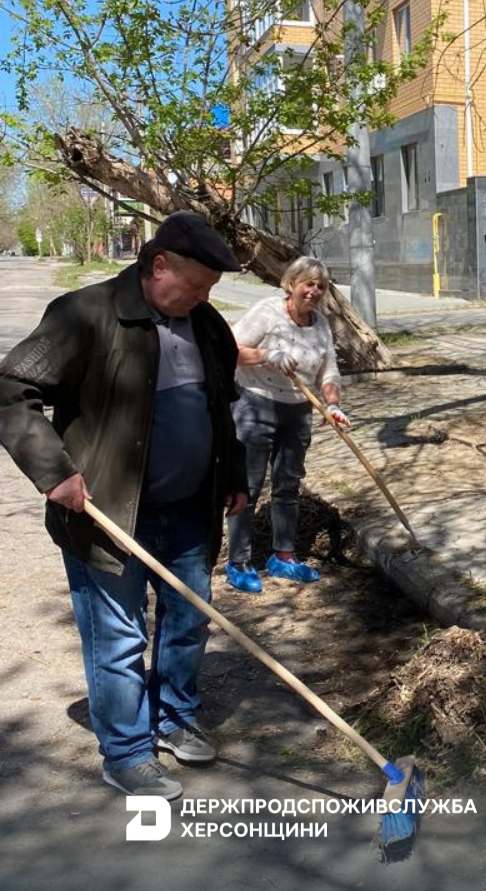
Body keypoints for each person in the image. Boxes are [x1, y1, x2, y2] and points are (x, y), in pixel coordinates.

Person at [0, 212, 248, 800]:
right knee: (119, 638)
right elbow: (10, 391)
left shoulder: (207, 325)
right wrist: (54, 472)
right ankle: (128, 752)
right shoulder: (84, 315)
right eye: (193, 285)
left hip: (190, 509)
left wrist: (233, 475)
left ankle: (175, 717)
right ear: (158, 264)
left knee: (188, 620)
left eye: (209, 289)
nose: (201, 298)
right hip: (109, 515)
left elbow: (222, 409)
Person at [224, 255, 348, 593]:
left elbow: (329, 371)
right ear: (291, 284)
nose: (314, 291)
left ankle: (284, 556)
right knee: (247, 486)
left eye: (321, 287)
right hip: (256, 403)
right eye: (308, 283)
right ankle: (238, 562)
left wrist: (333, 404)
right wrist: (267, 355)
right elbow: (230, 348)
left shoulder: (320, 325)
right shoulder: (267, 312)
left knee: (288, 485)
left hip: (298, 411)